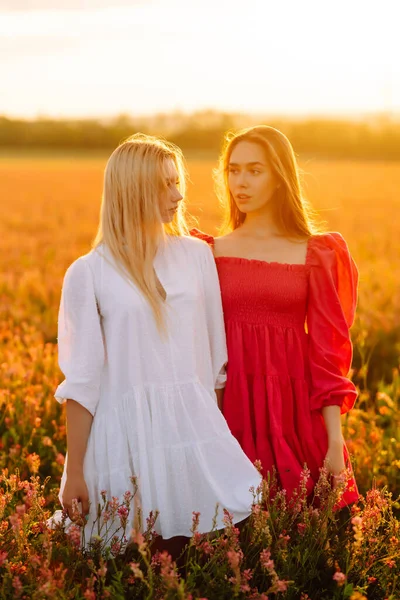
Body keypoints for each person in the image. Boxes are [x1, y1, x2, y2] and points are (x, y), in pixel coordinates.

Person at [52, 133, 261, 552]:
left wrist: (212, 440)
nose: (179, 194)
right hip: (122, 439)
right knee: (123, 561)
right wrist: (74, 471)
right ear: (133, 189)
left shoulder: (196, 257)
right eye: (165, 184)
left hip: (191, 432)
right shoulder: (88, 273)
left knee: (203, 551)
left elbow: (215, 360)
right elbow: (82, 381)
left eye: (177, 181)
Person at [191, 125, 359, 506]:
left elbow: (327, 354)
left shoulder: (316, 253)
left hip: (294, 414)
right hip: (228, 408)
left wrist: (335, 441)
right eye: (233, 170)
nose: (240, 182)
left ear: (280, 178)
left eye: (254, 170)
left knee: (303, 532)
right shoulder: (205, 251)